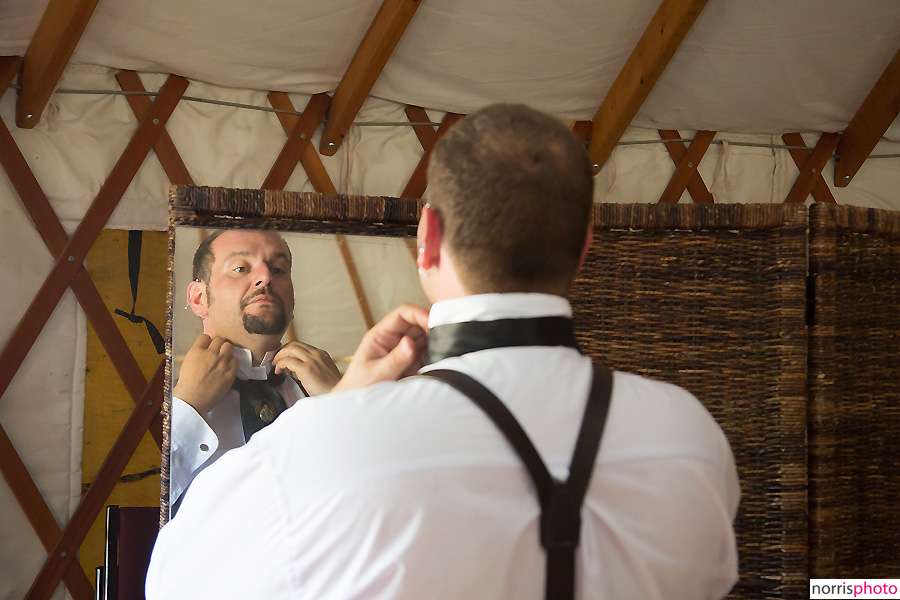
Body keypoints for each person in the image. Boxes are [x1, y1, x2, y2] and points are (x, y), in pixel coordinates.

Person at [147, 104, 740, 599]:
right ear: (583, 248)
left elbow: (173, 585)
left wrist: (336, 413)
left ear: (426, 239)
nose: (263, 280)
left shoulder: (316, 450)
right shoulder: (693, 437)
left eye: (276, 267)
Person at [170, 228, 341, 507]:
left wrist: (343, 402)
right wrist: (188, 407)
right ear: (199, 298)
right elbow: (142, 513)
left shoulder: (329, 391)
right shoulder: (163, 403)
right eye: (240, 268)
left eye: (278, 269)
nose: (266, 278)